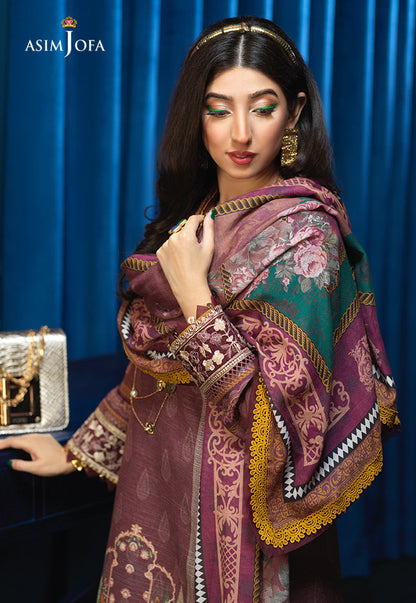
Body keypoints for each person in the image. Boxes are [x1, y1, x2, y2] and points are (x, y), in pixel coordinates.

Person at [0, 16, 399, 603]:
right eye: (219, 110)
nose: (241, 133)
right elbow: (156, 378)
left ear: (293, 114)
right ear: (197, 117)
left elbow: (279, 421)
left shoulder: (306, 237)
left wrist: (195, 299)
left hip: (244, 522)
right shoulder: (197, 217)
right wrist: (76, 454)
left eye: (262, 108)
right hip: (159, 487)